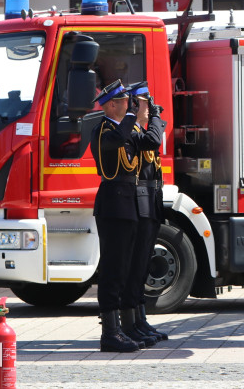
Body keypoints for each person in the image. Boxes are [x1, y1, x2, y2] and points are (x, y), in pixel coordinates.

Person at [89, 79, 161, 352]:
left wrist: (152, 115)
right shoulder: (102, 130)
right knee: (113, 269)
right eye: (122, 102)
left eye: (128, 102)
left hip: (128, 204)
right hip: (113, 204)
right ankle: (110, 332)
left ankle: (125, 326)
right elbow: (118, 139)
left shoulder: (126, 129)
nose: (127, 105)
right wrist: (133, 113)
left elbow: (151, 141)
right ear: (110, 105)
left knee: (127, 268)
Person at [121, 82, 169, 345]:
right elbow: (153, 140)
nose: (149, 107)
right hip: (138, 202)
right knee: (134, 266)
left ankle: (139, 319)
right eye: (144, 103)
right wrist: (155, 118)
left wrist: (154, 117)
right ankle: (130, 322)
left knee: (141, 267)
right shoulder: (133, 132)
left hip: (151, 201)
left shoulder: (145, 127)